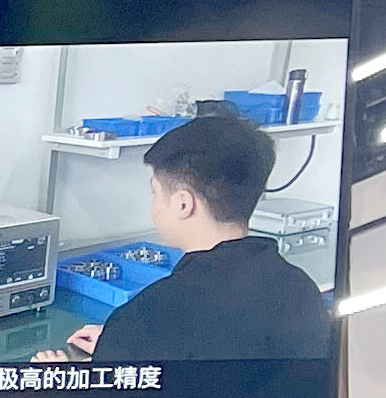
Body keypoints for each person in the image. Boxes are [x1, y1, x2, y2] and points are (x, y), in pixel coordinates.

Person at [45, 108, 335, 371]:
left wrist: (67, 374)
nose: (155, 207)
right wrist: (116, 346)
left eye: (155, 193)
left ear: (183, 204)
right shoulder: (302, 290)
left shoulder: (149, 316)